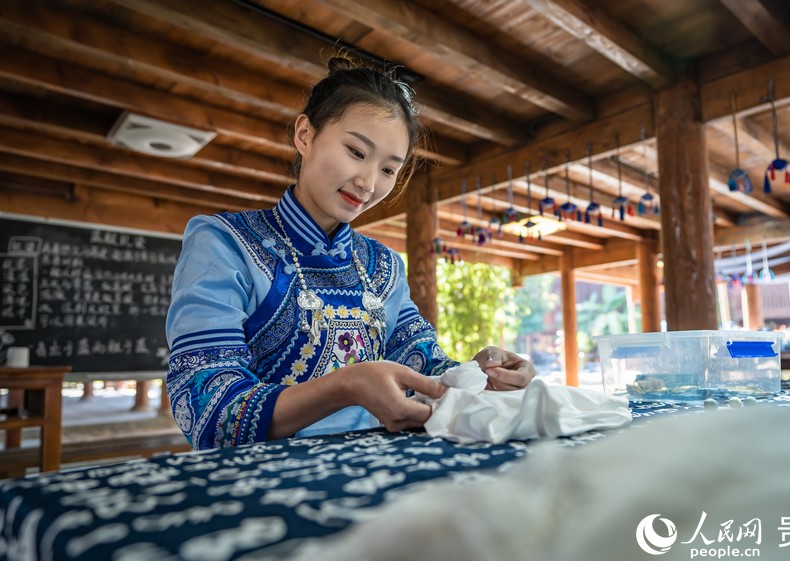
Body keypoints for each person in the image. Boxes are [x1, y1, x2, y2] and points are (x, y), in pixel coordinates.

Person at [165, 56, 535, 449]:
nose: (367, 182)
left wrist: (478, 374)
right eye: (356, 152)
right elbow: (207, 410)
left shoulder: (384, 267)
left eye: (389, 170)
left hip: (380, 476)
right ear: (305, 135)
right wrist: (344, 387)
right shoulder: (224, 243)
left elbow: (423, 365)